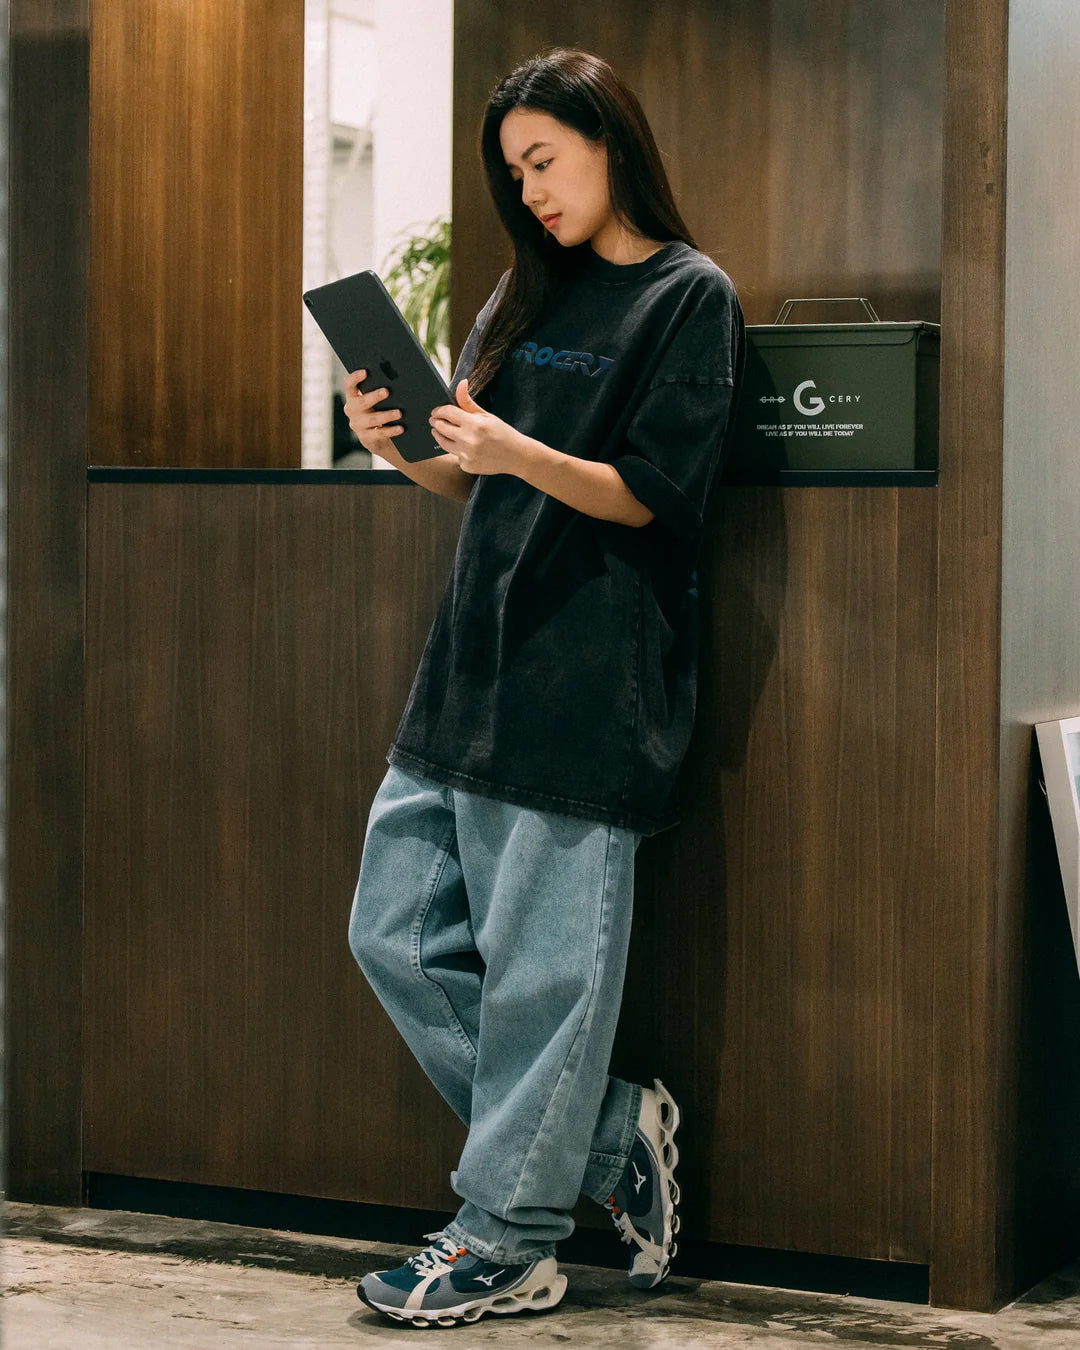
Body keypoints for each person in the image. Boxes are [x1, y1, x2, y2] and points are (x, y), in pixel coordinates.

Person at [343, 46, 745, 1330]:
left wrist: (522, 447)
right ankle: (604, 1130)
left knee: (542, 983)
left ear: (609, 143)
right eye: (512, 172)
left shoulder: (690, 298)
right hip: (470, 665)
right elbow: (471, 482)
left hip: (591, 681)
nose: (529, 191)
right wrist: (402, 444)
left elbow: (654, 499)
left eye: (544, 161)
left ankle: (509, 1235)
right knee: (391, 933)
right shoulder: (526, 290)